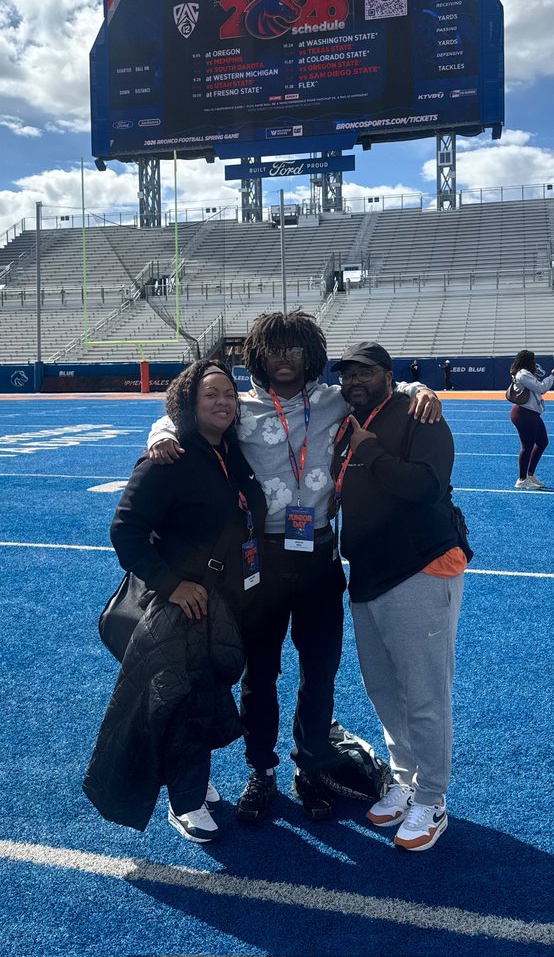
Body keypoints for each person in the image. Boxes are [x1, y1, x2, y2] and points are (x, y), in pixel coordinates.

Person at [147, 311, 442, 824]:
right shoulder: (238, 408)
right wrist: (159, 431)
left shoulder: (333, 400)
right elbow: (184, 414)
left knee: (320, 674)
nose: (284, 359)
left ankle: (310, 767)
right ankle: (260, 771)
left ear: (311, 354)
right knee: (259, 676)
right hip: (260, 562)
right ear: (258, 357)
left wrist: (422, 388)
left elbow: (389, 388)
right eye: (274, 350)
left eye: (294, 349)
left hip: (321, 558)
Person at [83, 360, 267, 843]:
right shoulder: (169, 457)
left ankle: (193, 780)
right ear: (189, 401)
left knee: (204, 696)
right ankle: (184, 803)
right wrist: (170, 584)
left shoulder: (228, 450)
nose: (223, 402)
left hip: (220, 602)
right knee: (182, 701)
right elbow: (125, 530)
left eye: (229, 393)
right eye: (211, 395)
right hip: (183, 606)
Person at [331, 341, 470, 852]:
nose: (355, 381)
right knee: (384, 689)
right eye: (348, 374)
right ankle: (406, 779)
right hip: (366, 572)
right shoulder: (347, 419)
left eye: (365, 372)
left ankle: (432, 798)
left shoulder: (419, 413)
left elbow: (427, 486)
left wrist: (370, 450)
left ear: (388, 375)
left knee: (425, 692)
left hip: (420, 567)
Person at [509, 349, 554, 490]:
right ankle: (522, 479)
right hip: (524, 413)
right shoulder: (523, 374)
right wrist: (552, 376)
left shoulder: (525, 373)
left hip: (530, 413)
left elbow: (541, 389)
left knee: (542, 442)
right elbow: (541, 388)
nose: (534, 362)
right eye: (532, 360)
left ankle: (530, 474)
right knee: (527, 446)